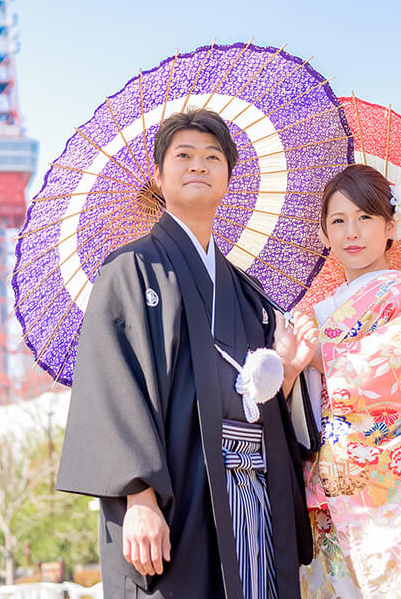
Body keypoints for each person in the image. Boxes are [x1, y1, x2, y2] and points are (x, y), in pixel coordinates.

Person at [57, 107, 317, 599]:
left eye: (213, 157)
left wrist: (290, 369)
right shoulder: (130, 270)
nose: (198, 164)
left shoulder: (247, 292)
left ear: (227, 177)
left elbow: (257, 401)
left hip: (252, 492)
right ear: (158, 175)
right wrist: (138, 498)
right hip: (176, 494)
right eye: (184, 155)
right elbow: (113, 388)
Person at [300, 163, 401, 599]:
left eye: (365, 218)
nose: (351, 232)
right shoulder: (322, 308)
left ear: (391, 226)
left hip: (392, 487)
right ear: (323, 234)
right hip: (332, 480)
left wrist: (319, 355)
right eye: (338, 221)